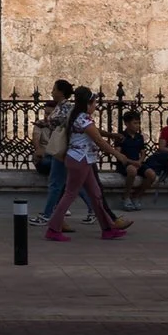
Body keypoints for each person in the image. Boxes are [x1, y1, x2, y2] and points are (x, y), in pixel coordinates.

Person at [44, 86, 130, 242]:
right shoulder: (83, 119)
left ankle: (108, 228)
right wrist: (118, 154)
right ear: (88, 104)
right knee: (70, 194)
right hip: (80, 159)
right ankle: (53, 228)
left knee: (95, 194)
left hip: (83, 159)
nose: (95, 106)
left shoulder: (76, 116)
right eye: (94, 103)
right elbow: (98, 140)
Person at [30, 79, 74, 227]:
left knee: (57, 184)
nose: (52, 92)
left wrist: (46, 123)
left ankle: (48, 215)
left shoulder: (65, 108)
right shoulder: (61, 107)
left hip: (60, 149)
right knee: (70, 184)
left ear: (61, 92)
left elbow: (61, 124)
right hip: (59, 149)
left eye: (54, 89)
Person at [113, 106, 150, 210]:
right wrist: (132, 162)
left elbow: (143, 152)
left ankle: (137, 196)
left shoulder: (139, 137)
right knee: (132, 171)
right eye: (134, 123)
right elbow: (118, 154)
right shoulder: (121, 137)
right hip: (126, 164)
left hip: (137, 162)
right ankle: (126, 196)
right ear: (127, 124)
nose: (137, 126)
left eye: (138, 123)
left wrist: (140, 161)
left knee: (151, 175)